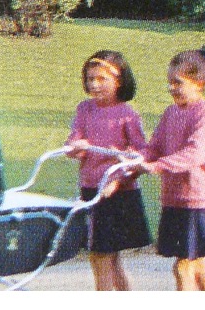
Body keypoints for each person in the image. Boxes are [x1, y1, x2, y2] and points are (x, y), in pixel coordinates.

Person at [138, 48, 205, 291]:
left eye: (177, 83)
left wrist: (157, 166)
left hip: (198, 201)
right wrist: (137, 159)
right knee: (199, 268)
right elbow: (154, 146)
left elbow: (194, 154)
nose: (171, 88)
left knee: (184, 267)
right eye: (169, 83)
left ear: (200, 83)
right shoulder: (171, 113)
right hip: (175, 200)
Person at [64, 51, 151, 290]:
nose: (94, 84)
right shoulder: (84, 109)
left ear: (119, 81)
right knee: (105, 257)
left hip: (117, 193)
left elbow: (139, 153)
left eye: (101, 79)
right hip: (92, 189)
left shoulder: (127, 115)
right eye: (90, 79)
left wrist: (117, 178)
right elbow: (75, 141)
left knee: (103, 256)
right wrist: (74, 148)